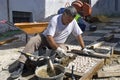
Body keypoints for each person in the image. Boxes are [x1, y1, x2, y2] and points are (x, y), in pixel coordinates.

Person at [10, 6, 87, 78]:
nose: (68, 22)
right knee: (33, 40)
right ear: (63, 14)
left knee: (64, 51)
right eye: (67, 19)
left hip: (59, 43)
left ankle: (54, 63)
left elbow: (78, 35)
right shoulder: (55, 20)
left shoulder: (73, 22)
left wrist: (83, 48)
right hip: (45, 39)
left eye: (70, 20)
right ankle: (20, 66)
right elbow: (49, 37)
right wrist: (57, 49)